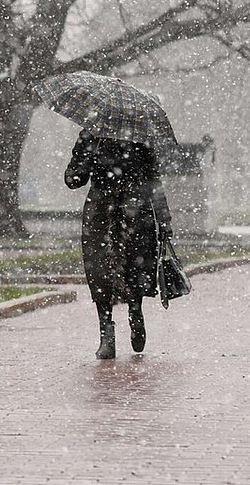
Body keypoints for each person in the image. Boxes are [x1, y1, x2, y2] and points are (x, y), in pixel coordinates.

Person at [64, 129, 173, 359]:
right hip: (100, 214)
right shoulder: (91, 135)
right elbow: (74, 179)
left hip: (135, 213)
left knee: (136, 268)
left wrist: (164, 220)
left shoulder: (141, 139)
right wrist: (81, 164)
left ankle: (136, 313)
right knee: (99, 273)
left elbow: (154, 181)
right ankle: (106, 334)